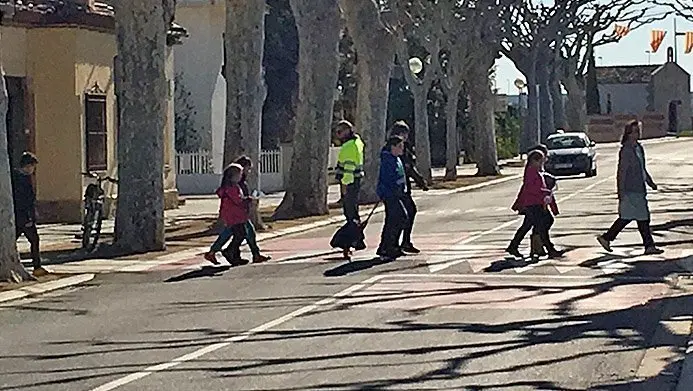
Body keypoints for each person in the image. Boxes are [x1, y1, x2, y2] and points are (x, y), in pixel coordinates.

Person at [596, 120, 663, 255]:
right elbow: (621, 172)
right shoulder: (626, 150)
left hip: (639, 188)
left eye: (637, 131)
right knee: (639, 218)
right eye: (633, 132)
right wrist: (620, 191)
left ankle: (607, 237)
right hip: (630, 190)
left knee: (634, 218)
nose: (636, 135)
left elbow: (642, 169)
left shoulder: (639, 148)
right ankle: (648, 246)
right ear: (627, 134)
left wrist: (650, 182)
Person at [508, 150, 564, 259]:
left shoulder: (537, 171)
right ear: (534, 161)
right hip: (533, 203)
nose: (543, 163)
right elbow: (532, 189)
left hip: (537, 203)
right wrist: (546, 192)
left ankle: (515, 246)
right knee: (544, 223)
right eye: (541, 160)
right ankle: (548, 248)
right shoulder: (531, 172)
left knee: (528, 226)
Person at [389, 120, 429, 254]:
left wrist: (420, 181)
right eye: (402, 133)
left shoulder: (406, 148)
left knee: (409, 213)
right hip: (396, 188)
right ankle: (394, 244)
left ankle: (405, 241)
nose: (404, 136)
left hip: (404, 187)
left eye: (406, 133)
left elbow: (410, 168)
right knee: (400, 215)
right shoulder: (393, 149)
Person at [204, 163, 250, 266]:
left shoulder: (232, 187)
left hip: (234, 215)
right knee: (240, 234)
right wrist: (248, 200)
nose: (241, 176)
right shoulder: (231, 188)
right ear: (232, 176)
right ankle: (229, 251)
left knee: (238, 234)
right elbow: (238, 200)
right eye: (239, 174)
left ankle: (234, 255)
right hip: (235, 216)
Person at [12, 152, 48, 277]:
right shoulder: (21, 179)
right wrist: (29, 217)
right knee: (34, 240)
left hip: (19, 217)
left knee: (14, 240)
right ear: (28, 166)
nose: (33, 170)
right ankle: (37, 267)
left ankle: (37, 266)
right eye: (32, 166)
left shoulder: (17, 177)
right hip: (23, 217)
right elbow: (24, 200)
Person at [334, 120, 365, 258]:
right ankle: (358, 240)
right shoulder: (357, 143)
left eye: (340, 132)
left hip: (350, 183)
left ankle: (349, 241)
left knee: (350, 214)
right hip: (356, 182)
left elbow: (348, 168)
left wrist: (344, 187)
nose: (338, 135)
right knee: (353, 213)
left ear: (347, 131)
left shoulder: (349, 147)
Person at [376, 135, 409, 261]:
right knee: (399, 217)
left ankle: (391, 245)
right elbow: (387, 179)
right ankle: (387, 246)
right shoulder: (387, 160)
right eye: (399, 146)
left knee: (396, 219)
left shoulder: (397, 159)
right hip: (390, 194)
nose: (402, 149)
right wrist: (393, 190)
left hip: (397, 194)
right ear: (392, 147)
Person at [233, 156, 271, 263]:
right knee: (239, 234)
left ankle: (255, 254)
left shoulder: (240, 181)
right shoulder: (236, 182)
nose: (249, 171)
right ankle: (227, 252)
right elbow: (237, 198)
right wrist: (248, 199)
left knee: (247, 233)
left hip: (241, 212)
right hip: (237, 213)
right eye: (248, 168)